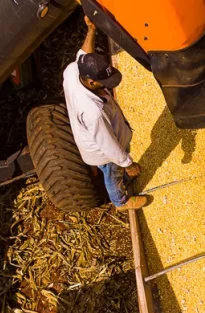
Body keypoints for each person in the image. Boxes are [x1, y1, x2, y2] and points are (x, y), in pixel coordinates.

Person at [62, 16, 148, 210]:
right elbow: (108, 144)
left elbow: (84, 54)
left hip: (103, 142)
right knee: (112, 174)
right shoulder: (93, 112)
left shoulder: (73, 71)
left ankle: (124, 177)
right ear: (91, 82)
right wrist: (127, 163)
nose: (107, 86)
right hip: (103, 153)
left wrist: (91, 30)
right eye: (104, 82)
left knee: (116, 169)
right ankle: (121, 201)